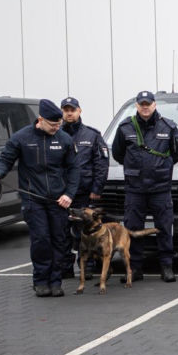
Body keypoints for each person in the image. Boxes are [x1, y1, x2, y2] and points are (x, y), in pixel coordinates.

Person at [0, 99, 78, 297]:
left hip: (58, 200)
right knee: (41, 239)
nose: (56, 127)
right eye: (52, 124)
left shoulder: (64, 139)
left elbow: (74, 169)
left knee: (59, 240)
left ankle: (56, 281)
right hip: (33, 199)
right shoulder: (21, 138)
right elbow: (5, 159)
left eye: (58, 124)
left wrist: (69, 194)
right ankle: (41, 280)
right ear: (40, 119)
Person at [112, 90, 178, 283]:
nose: (145, 107)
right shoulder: (125, 127)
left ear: (154, 105)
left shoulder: (168, 126)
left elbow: (177, 153)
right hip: (135, 188)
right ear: (137, 105)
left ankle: (166, 267)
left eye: (148, 104)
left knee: (164, 228)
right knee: (133, 228)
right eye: (141, 104)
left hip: (160, 187)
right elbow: (118, 154)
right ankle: (135, 268)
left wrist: (161, 167)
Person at [59, 96, 109, 278]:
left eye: (72, 109)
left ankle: (86, 265)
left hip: (84, 193)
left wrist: (97, 189)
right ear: (62, 112)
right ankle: (65, 267)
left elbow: (101, 164)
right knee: (62, 232)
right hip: (61, 194)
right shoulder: (55, 134)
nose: (69, 113)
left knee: (85, 232)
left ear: (79, 111)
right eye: (66, 110)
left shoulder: (92, 135)